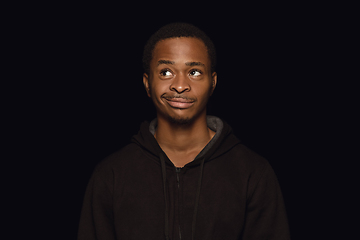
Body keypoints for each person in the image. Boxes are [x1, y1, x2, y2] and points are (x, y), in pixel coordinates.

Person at [78, 22, 290, 240]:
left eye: (195, 72)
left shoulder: (253, 172)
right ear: (147, 83)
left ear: (213, 83)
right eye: (166, 72)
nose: (180, 86)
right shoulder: (111, 174)